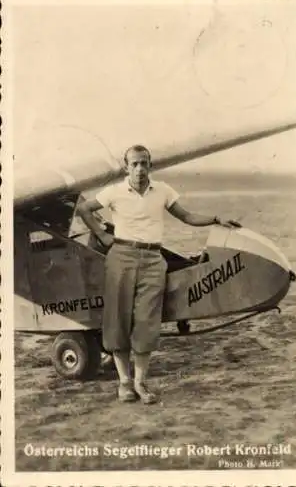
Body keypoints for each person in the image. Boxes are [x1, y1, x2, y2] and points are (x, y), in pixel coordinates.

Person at [78, 144, 238, 404]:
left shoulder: (163, 191)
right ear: (126, 166)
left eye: (144, 163)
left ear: (150, 165)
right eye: (134, 164)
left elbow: (186, 216)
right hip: (121, 256)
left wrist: (216, 219)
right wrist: (102, 235)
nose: (140, 168)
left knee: (147, 320)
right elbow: (84, 209)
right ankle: (124, 383)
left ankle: (140, 383)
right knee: (118, 319)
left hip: (153, 259)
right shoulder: (114, 192)